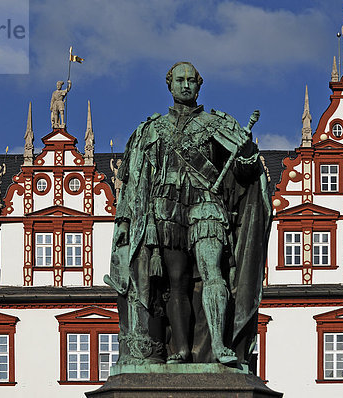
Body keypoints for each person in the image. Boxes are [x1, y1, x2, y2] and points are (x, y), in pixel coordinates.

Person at [106, 62, 272, 367]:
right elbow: (135, 180)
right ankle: (180, 349)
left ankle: (220, 346)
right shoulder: (152, 130)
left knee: (213, 273)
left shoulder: (216, 124)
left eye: (191, 81)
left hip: (206, 205)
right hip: (165, 211)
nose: (185, 85)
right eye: (179, 80)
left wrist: (247, 152)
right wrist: (125, 221)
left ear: (199, 85)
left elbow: (244, 172)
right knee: (176, 282)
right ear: (169, 85)